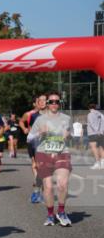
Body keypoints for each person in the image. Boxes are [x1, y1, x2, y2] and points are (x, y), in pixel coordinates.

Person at [32, 91, 74, 226]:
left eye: (57, 101)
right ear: (47, 104)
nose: (54, 104)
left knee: (62, 184)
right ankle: (50, 215)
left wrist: (69, 136)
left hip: (62, 152)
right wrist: (40, 133)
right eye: (51, 102)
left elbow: (72, 135)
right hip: (44, 153)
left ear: (60, 103)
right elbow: (29, 137)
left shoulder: (67, 118)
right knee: (48, 187)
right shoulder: (40, 119)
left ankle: (61, 211)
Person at [20, 94, 47, 203]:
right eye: (40, 101)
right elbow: (21, 121)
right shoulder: (30, 114)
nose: (42, 102)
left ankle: (40, 191)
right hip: (33, 142)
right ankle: (38, 191)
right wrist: (25, 129)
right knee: (36, 165)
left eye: (45, 100)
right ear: (36, 103)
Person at [88, 103, 104, 169]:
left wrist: (97, 131)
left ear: (89, 108)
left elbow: (92, 124)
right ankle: (103, 163)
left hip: (93, 133)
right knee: (101, 147)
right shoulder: (101, 114)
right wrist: (101, 131)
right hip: (102, 133)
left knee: (94, 147)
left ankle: (97, 163)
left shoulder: (90, 114)